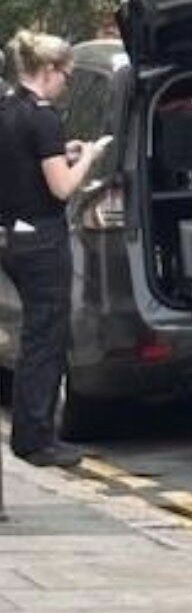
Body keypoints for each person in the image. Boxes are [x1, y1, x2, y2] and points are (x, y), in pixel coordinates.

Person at [0, 30, 104, 467]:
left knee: (34, 336)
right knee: (47, 338)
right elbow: (61, 187)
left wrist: (64, 149)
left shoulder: (9, 109)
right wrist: (90, 155)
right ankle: (36, 438)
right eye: (66, 74)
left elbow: (25, 161)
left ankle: (30, 430)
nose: (67, 82)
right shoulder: (43, 117)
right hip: (42, 240)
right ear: (47, 70)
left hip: (11, 236)